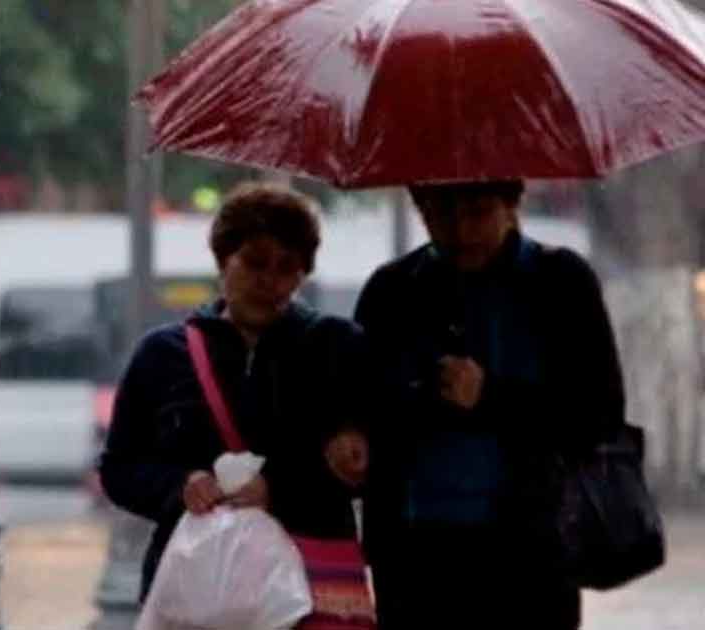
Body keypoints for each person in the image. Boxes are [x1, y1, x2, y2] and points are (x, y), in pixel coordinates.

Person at [354, 180, 625, 630]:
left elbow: (598, 414)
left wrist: (492, 396)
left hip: (530, 552)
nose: (461, 232)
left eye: (478, 212)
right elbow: (363, 403)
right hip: (415, 555)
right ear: (420, 208)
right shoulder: (393, 290)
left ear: (511, 203)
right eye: (440, 214)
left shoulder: (560, 282)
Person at [97, 181, 371, 602]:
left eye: (287, 268)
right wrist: (181, 485)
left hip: (309, 584)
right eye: (255, 263)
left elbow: (373, 465)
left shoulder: (339, 348)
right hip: (197, 585)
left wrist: (279, 489)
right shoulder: (162, 354)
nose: (270, 281)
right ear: (224, 261)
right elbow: (119, 469)